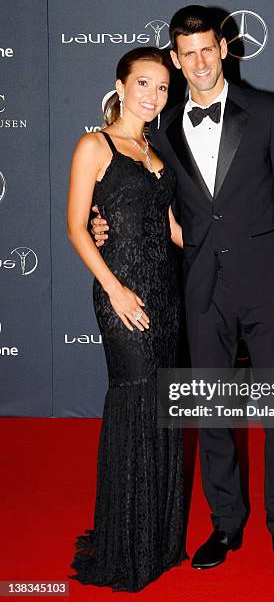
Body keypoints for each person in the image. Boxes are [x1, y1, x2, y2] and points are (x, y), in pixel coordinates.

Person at [92, 5, 274, 578]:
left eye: (207, 49)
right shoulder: (161, 129)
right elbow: (137, 192)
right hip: (198, 290)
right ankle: (225, 523)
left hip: (270, 287)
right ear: (175, 57)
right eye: (186, 53)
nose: (198, 62)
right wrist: (104, 222)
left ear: (224, 47)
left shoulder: (269, 112)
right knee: (211, 413)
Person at [66, 47, 186, 593]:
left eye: (162, 87)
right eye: (144, 83)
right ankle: (126, 546)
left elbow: (175, 231)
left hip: (166, 295)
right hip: (123, 293)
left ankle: (157, 539)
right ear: (120, 84)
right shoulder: (95, 144)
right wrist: (115, 290)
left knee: (161, 406)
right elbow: (75, 228)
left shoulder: (157, 148)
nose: (153, 96)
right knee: (134, 401)